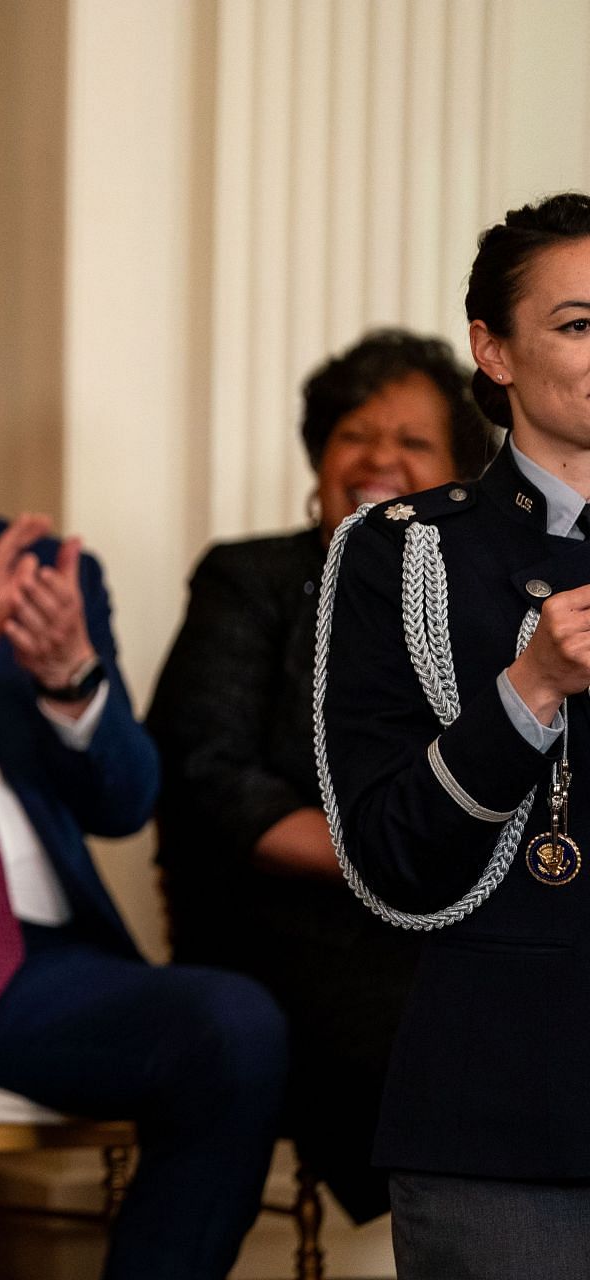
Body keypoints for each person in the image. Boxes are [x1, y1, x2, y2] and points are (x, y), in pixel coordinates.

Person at [0, 289, 288, 1280]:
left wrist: (74, 684)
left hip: (38, 964)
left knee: (235, 1025)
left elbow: (124, 803)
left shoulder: (40, 566)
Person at [151, 329, 495, 1224]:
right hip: (287, 934)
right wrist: (380, 854)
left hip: (456, 925)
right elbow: (208, 776)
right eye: (355, 434)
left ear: (459, 472)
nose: (380, 457)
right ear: (321, 457)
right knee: (459, 1046)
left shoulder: (493, 601)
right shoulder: (252, 578)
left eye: (414, 441)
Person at [317, 191, 590, 1277]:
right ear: (494, 348)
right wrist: (529, 687)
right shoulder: (405, 554)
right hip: (506, 1109)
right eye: (577, 323)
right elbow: (388, 856)